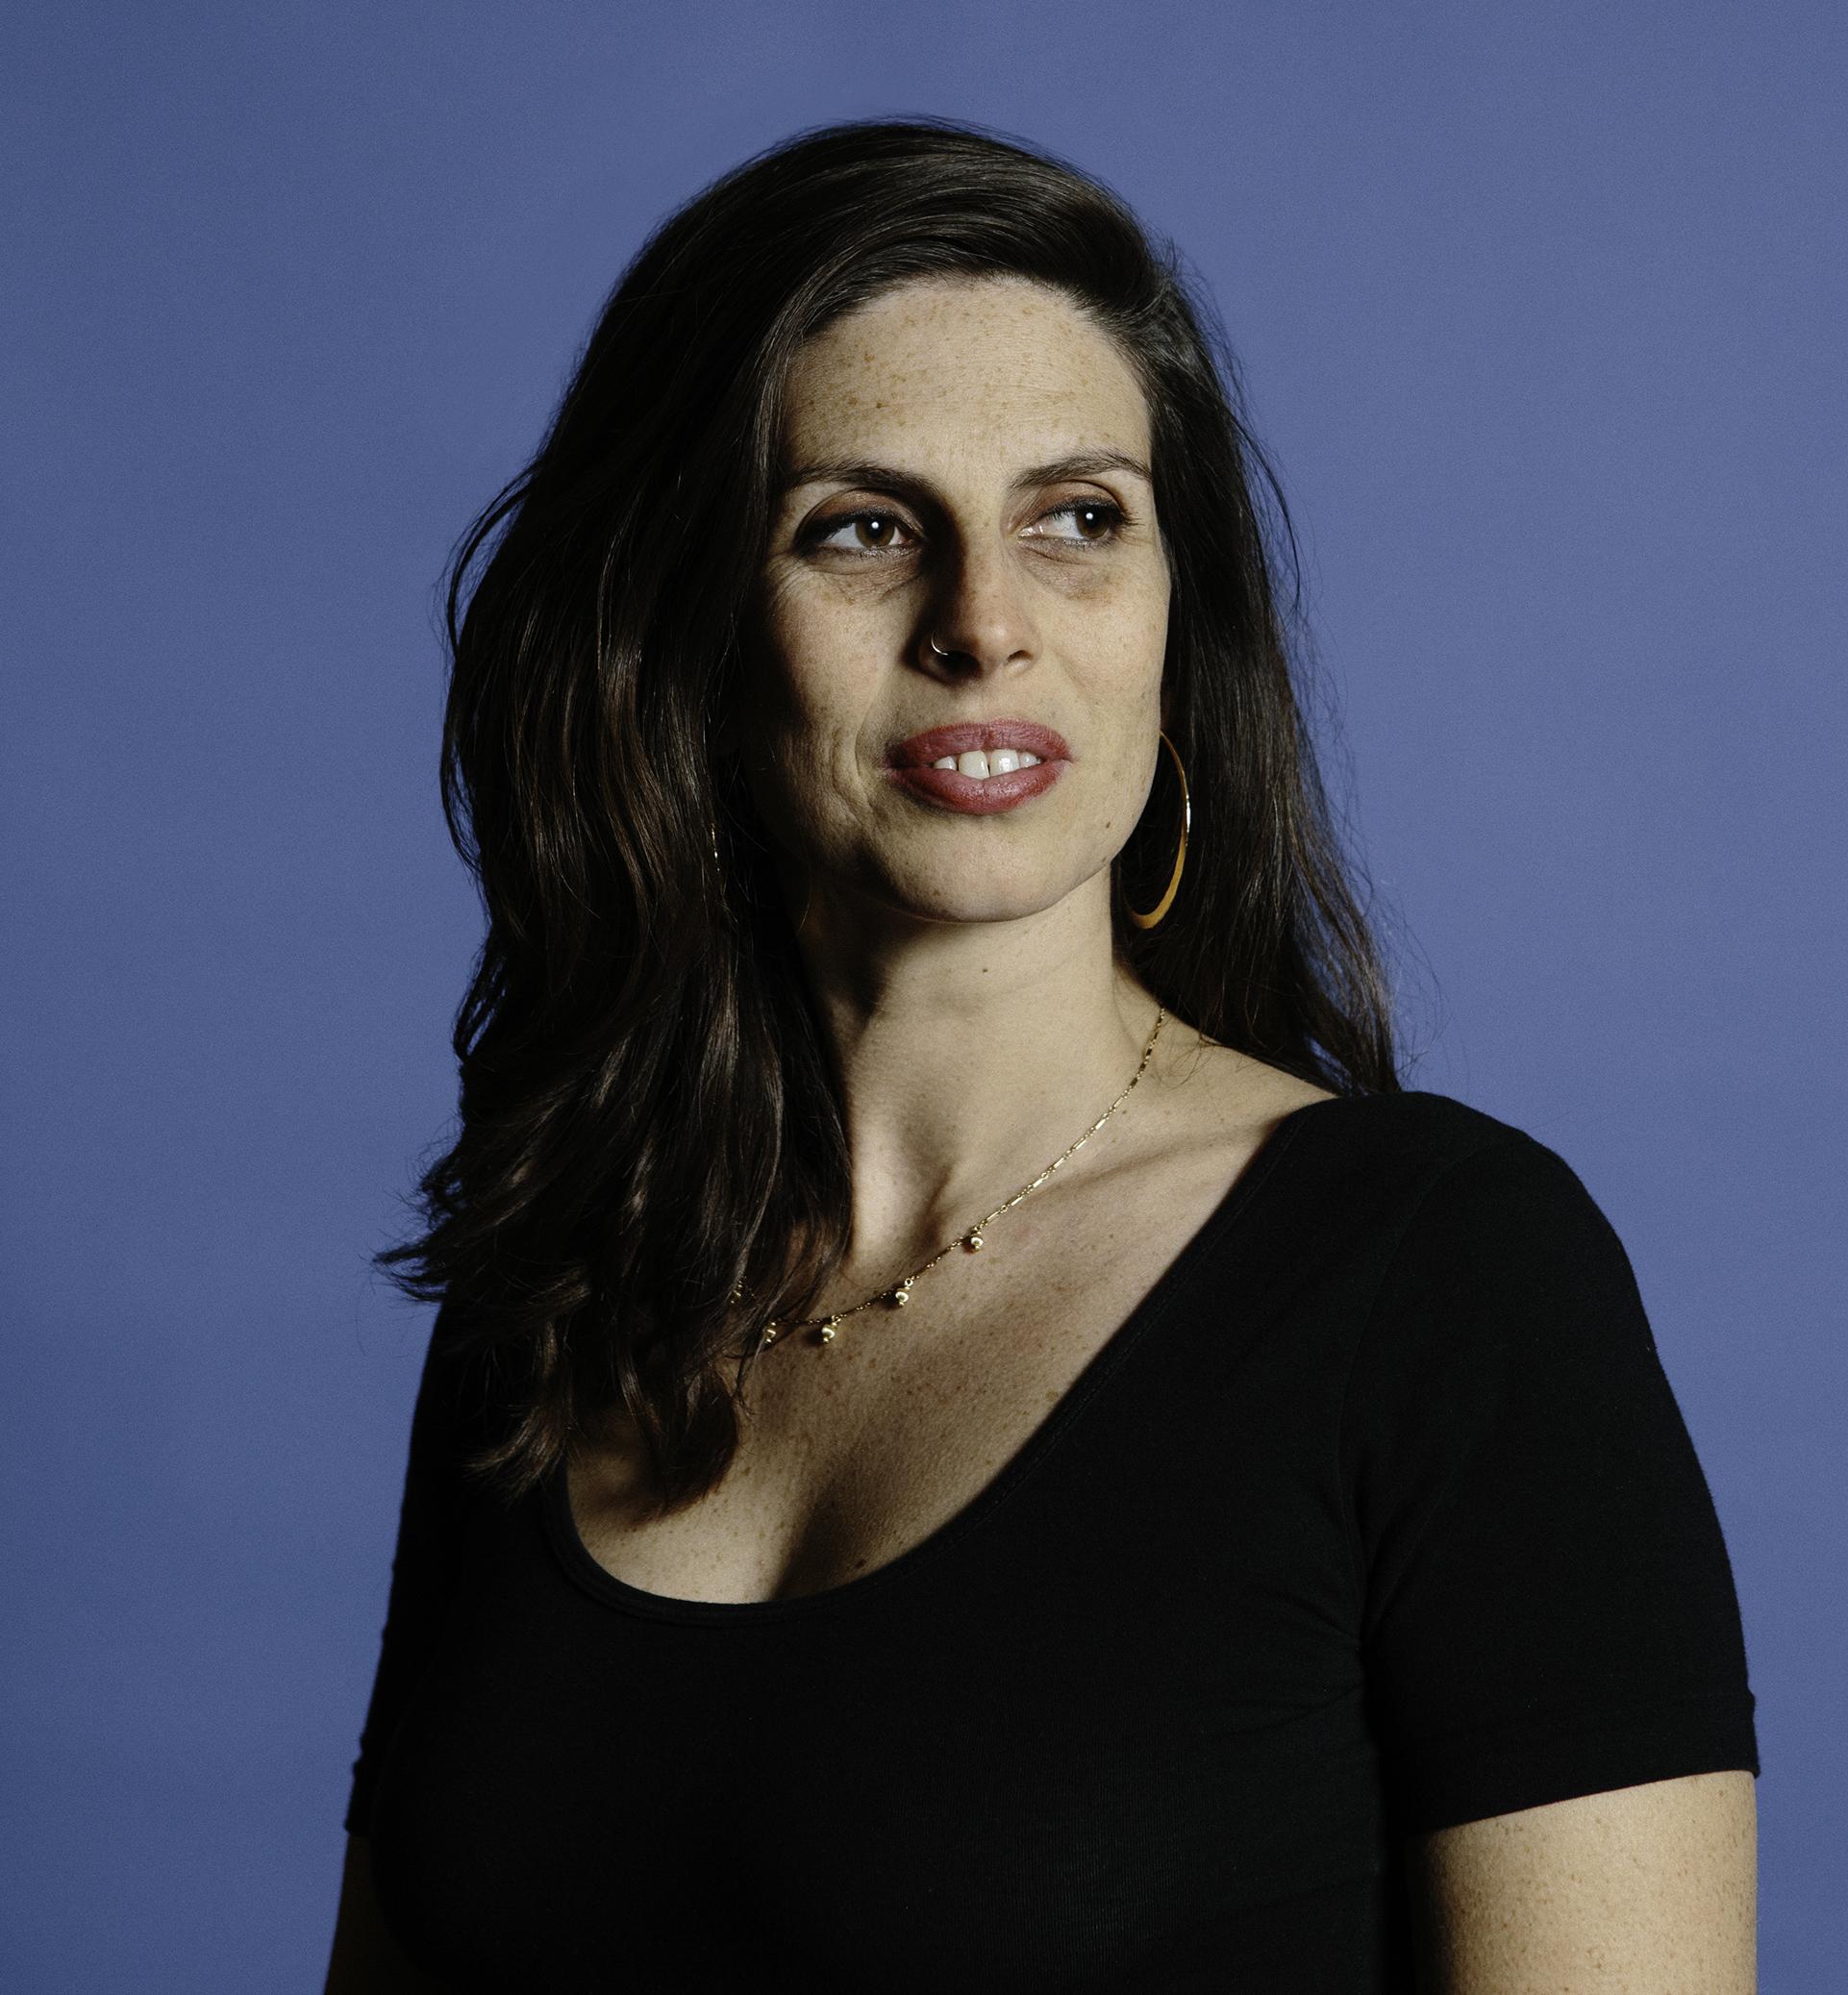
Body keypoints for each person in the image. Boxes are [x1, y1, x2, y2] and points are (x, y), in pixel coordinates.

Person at [324, 118, 1760, 1992]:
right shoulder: (558, 1296)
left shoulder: (1443, 1283)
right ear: (680, 633)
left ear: (1178, 615)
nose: (982, 627)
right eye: (858, 527)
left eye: (1078, 519)